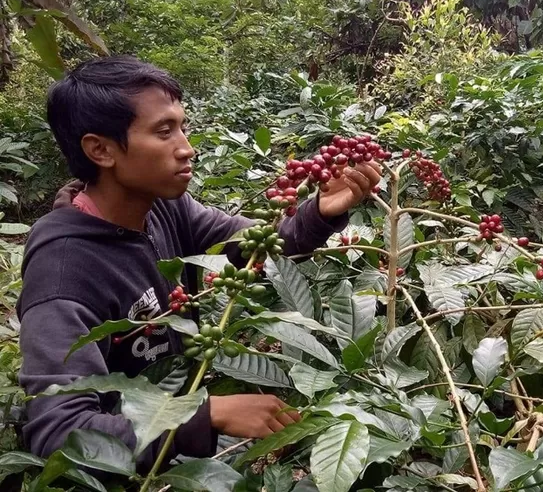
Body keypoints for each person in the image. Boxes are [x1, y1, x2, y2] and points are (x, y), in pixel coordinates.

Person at [16, 55, 382, 474]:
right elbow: (59, 436)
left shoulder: (164, 210)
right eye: (163, 131)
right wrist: (205, 416)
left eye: (182, 126)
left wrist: (320, 210)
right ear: (101, 150)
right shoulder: (63, 273)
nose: (186, 147)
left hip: (168, 439)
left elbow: (262, 245)